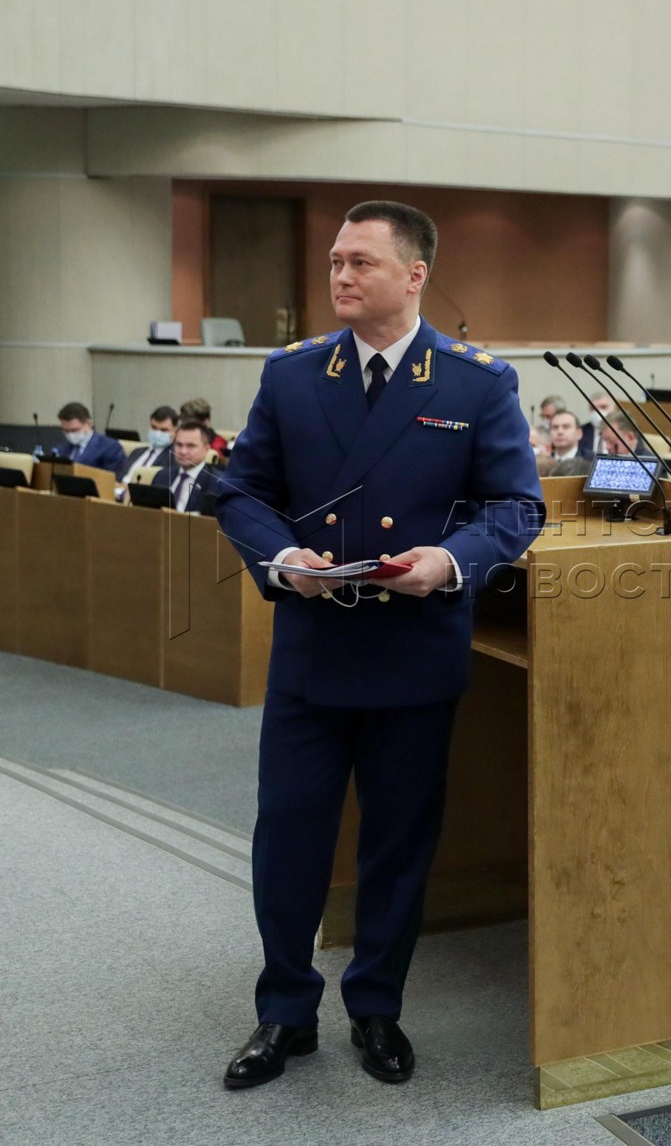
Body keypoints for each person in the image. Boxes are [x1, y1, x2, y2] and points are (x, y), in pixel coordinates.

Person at [214, 200, 544, 1089]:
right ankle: (284, 1014)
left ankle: (376, 1008)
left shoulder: (475, 384)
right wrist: (282, 556)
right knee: (288, 841)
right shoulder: (292, 377)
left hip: (414, 648)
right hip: (314, 648)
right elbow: (238, 491)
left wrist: (448, 559)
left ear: (415, 275)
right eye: (334, 262)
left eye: (360, 262)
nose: (340, 277)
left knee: (397, 844)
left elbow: (518, 507)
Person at [152, 420, 224, 513]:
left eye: (191, 446)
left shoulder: (219, 484)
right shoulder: (161, 476)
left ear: (206, 449)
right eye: (179, 444)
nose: (183, 451)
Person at [50, 401, 129, 471]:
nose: (70, 435)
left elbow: (113, 480)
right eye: (66, 431)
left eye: (74, 430)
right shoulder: (61, 449)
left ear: (89, 424)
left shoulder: (111, 448)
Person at [120, 406, 180, 481]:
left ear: (175, 432)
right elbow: (119, 476)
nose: (157, 433)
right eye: (154, 428)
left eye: (164, 430)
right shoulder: (136, 452)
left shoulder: (174, 458)